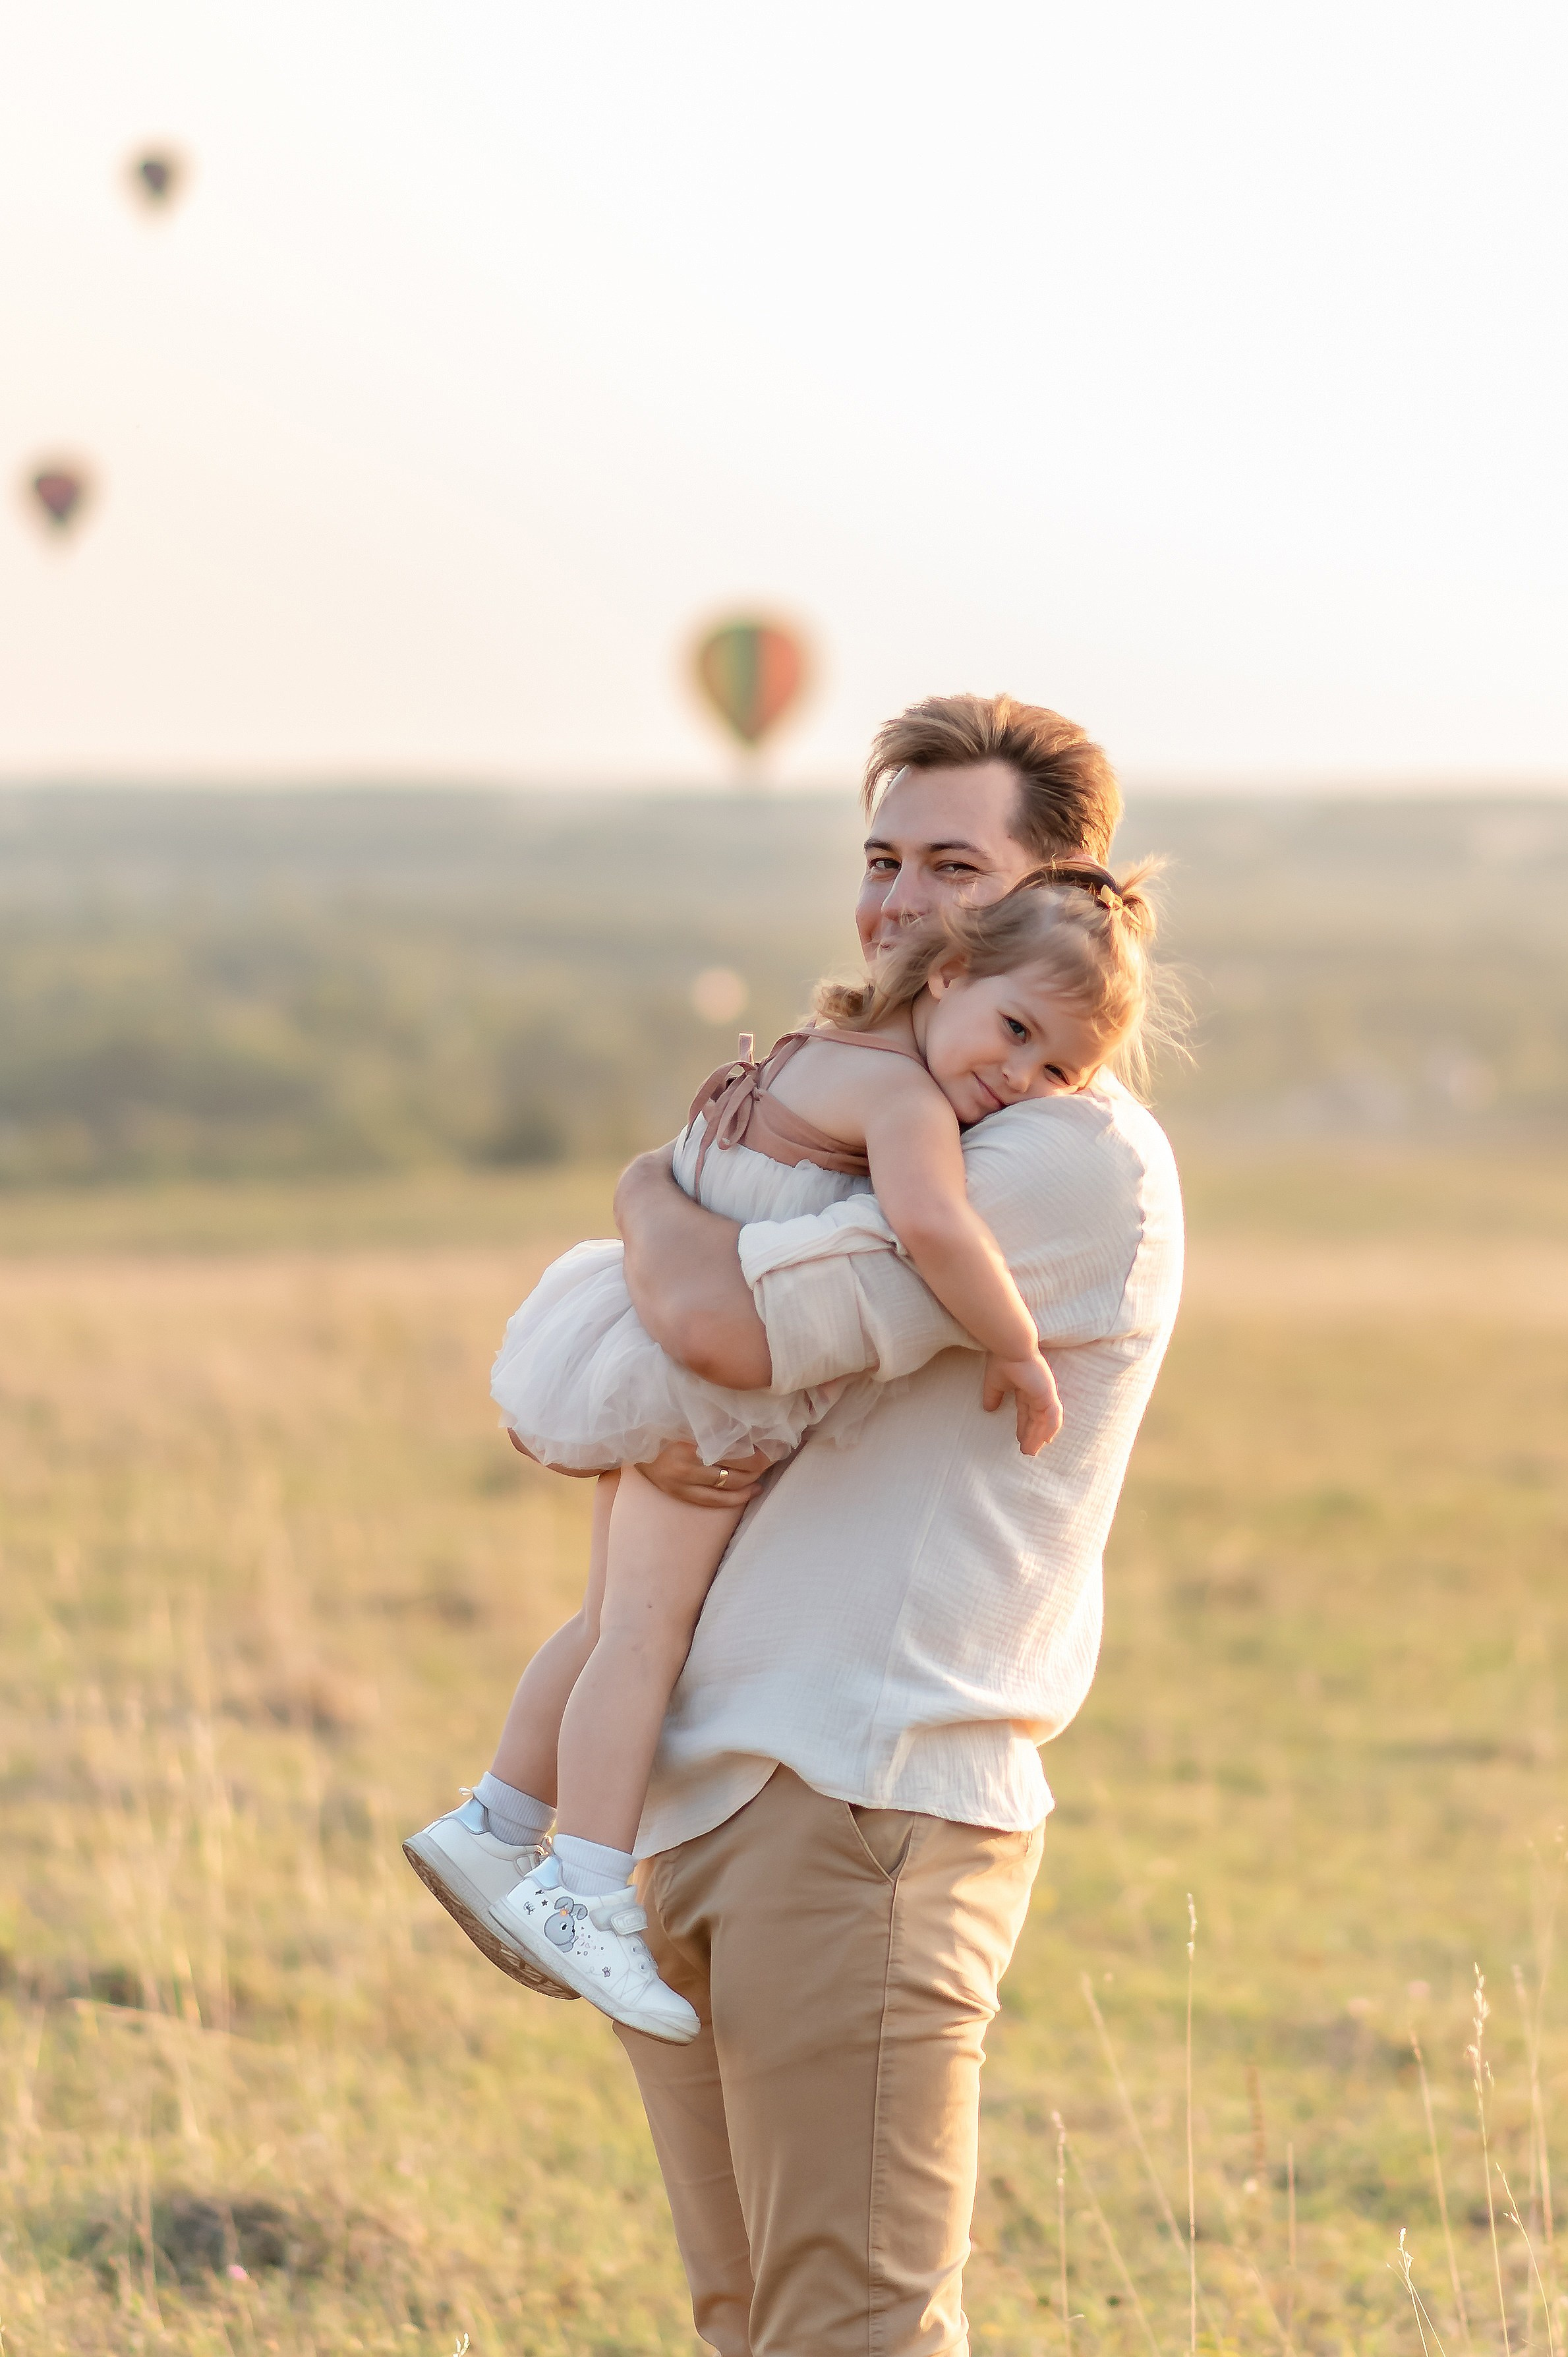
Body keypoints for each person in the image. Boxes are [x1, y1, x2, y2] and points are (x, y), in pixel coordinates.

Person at [427, 691, 1183, 2357]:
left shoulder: (1061, 1158)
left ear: (1053, 896)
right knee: (746, 2322)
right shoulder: (894, 1097)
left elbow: (709, 1329)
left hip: (859, 1803)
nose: (902, 901)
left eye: (952, 866)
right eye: (880, 858)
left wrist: (642, 1192)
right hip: (696, 1802)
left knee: (850, 2331)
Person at [408, 850, 1157, 2038]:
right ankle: (585, 1888)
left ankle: (497, 1820)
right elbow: (932, 1225)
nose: (1018, 1079)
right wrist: (1017, 1348)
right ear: (949, 973)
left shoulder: (811, 1048)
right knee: (644, 1635)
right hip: (708, 1390)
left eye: (1058, 1069)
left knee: (612, 1621)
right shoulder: (906, 1101)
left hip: (648, 1349)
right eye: (1012, 1031)